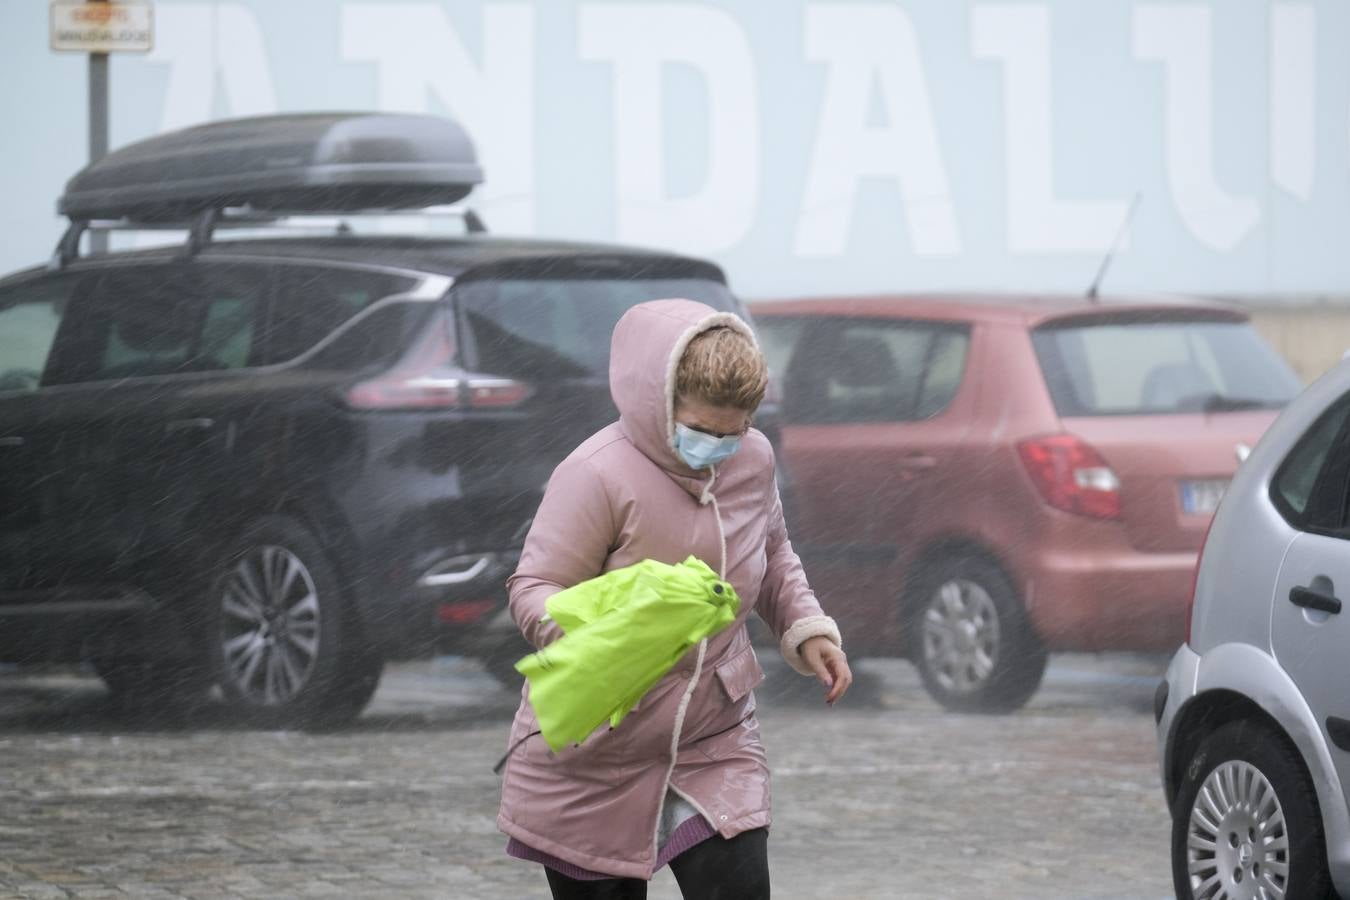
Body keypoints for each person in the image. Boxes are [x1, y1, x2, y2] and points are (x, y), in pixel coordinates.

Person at [497, 299, 852, 899]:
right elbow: (532, 590)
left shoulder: (755, 459)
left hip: (714, 736)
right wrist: (607, 640)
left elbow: (772, 552)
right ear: (656, 401)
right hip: (597, 746)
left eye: (732, 431)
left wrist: (808, 626)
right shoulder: (595, 473)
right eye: (701, 430)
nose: (717, 445)